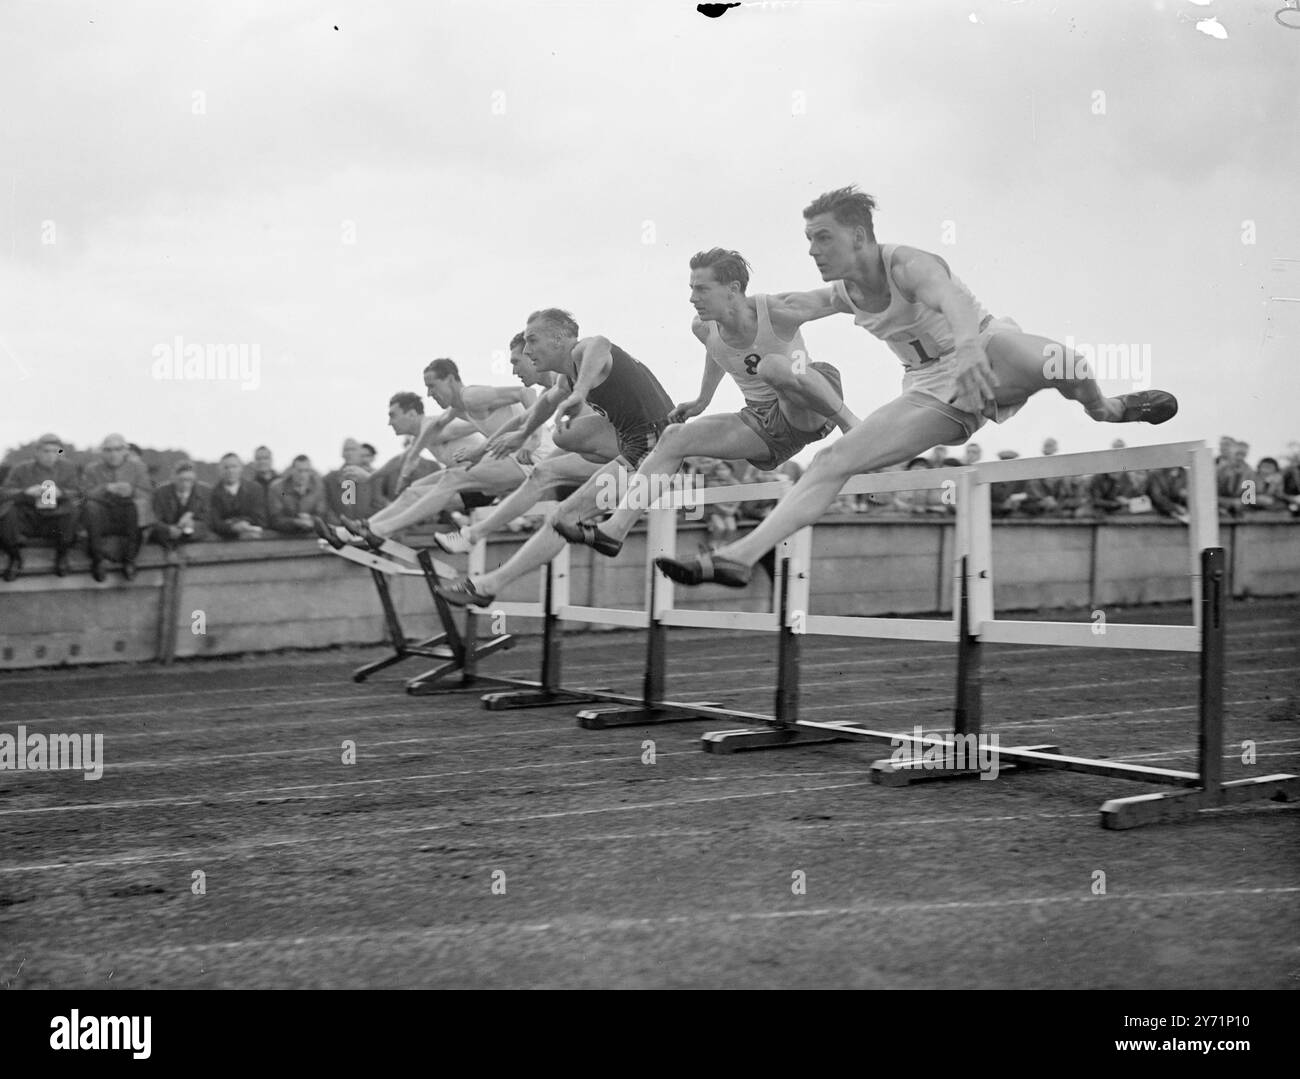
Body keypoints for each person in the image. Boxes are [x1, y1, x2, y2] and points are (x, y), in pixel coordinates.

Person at [655, 185, 1178, 586]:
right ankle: (738, 557)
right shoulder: (843, 292)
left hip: (987, 349)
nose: (813, 249)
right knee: (831, 463)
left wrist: (971, 346)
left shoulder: (906, 264)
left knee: (1064, 362)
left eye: (824, 237)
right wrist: (728, 311)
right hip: (931, 387)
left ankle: (1107, 409)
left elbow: (945, 295)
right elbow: (784, 308)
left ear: (859, 235)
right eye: (809, 239)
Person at [553, 247, 853, 558]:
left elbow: (835, 297)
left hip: (810, 403)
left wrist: (886, 288)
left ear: (732, 289)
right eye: (691, 288)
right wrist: (702, 399)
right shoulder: (702, 327)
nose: (693, 298)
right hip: (764, 424)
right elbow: (717, 352)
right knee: (672, 438)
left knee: (772, 367)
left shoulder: (776, 310)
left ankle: (851, 425)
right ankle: (614, 530)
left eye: (702, 289)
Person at [436, 307, 674, 607]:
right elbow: (544, 405)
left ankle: (488, 584)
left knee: (563, 515)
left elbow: (599, 343)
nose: (527, 350)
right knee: (552, 455)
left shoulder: (584, 352)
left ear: (561, 339)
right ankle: (476, 545)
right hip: (634, 443)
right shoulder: (565, 380)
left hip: (656, 451)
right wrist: (522, 435)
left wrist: (582, 390)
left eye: (532, 340)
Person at [432, 333, 602, 554]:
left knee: (544, 475)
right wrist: (482, 449)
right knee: (543, 483)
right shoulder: (552, 389)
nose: (513, 371)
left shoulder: (572, 378)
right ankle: (477, 545)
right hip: (597, 457)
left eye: (516, 362)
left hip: (617, 456)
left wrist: (532, 440)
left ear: (535, 356)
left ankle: (474, 536)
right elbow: (522, 419)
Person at [0, 433, 82, 580]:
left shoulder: (67, 468)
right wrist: (25, 492)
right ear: (37, 452)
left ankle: (62, 556)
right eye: (46, 451)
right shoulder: (21, 469)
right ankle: (15, 558)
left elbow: (78, 493)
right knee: (8, 511)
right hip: (29, 517)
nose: (51, 456)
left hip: (56, 518)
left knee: (73, 510)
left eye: (55, 452)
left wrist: (61, 493)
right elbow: (5, 492)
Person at [82, 433, 153, 581]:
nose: (113, 454)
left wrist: (131, 490)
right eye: (108, 450)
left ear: (125, 451)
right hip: (103, 515)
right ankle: (98, 560)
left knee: (136, 507)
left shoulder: (138, 468)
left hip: (127, 516)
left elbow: (147, 493)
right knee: (90, 507)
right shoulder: (92, 469)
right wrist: (106, 488)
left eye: (117, 449)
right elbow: (85, 493)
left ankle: (130, 560)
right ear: (102, 452)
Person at [151, 461, 213, 547]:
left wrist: (193, 525)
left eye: (189, 480)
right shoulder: (161, 493)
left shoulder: (205, 492)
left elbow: (209, 519)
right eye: (182, 480)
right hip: (166, 542)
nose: (185, 484)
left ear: (194, 479)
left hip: (196, 541)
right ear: (173, 478)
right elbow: (154, 519)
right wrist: (168, 529)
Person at [210, 453, 268, 540]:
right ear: (220, 470)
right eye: (226, 467)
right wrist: (232, 527)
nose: (230, 471)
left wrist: (239, 523)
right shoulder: (212, 493)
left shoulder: (255, 489)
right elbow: (213, 522)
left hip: (253, 537)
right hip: (224, 539)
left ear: (241, 468)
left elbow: (260, 518)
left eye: (234, 467)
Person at [268, 455, 327, 535]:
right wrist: (296, 522)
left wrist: (311, 519)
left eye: (306, 471)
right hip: (283, 537)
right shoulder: (278, 489)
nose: (302, 475)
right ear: (292, 470)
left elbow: (322, 515)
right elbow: (275, 518)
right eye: (299, 471)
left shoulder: (318, 489)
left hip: (310, 536)